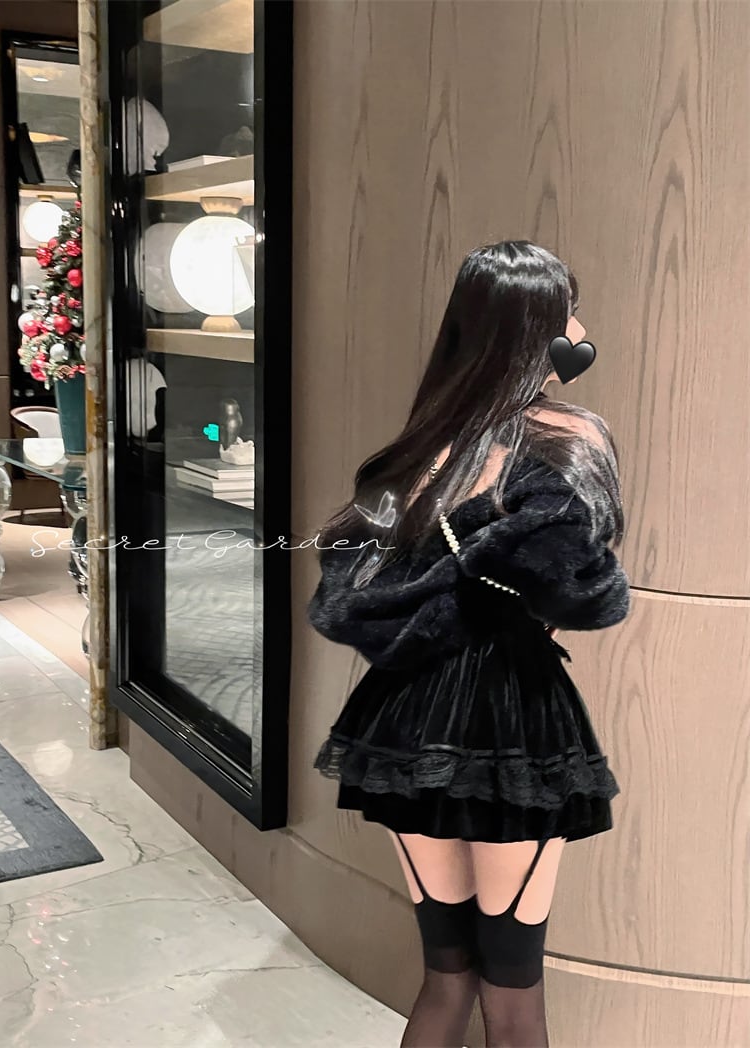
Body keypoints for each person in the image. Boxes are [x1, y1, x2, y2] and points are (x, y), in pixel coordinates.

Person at [306, 240, 631, 1048]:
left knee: (447, 977)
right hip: (510, 715)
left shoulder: (419, 448)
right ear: (535, 330)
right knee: (514, 993)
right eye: (568, 314)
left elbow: (348, 595)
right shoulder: (569, 437)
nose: (579, 332)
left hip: (403, 718)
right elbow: (586, 591)